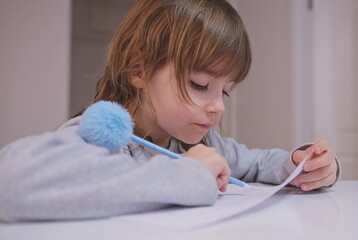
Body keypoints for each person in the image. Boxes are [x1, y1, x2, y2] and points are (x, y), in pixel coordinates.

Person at [0, 0, 340, 222]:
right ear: (139, 70)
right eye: (199, 84)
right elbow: (11, 182)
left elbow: (255, 163)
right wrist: (186, 177)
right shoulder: (100, 135)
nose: (218, 106)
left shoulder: (202, 144)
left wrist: (301, 164)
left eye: (226, 92)